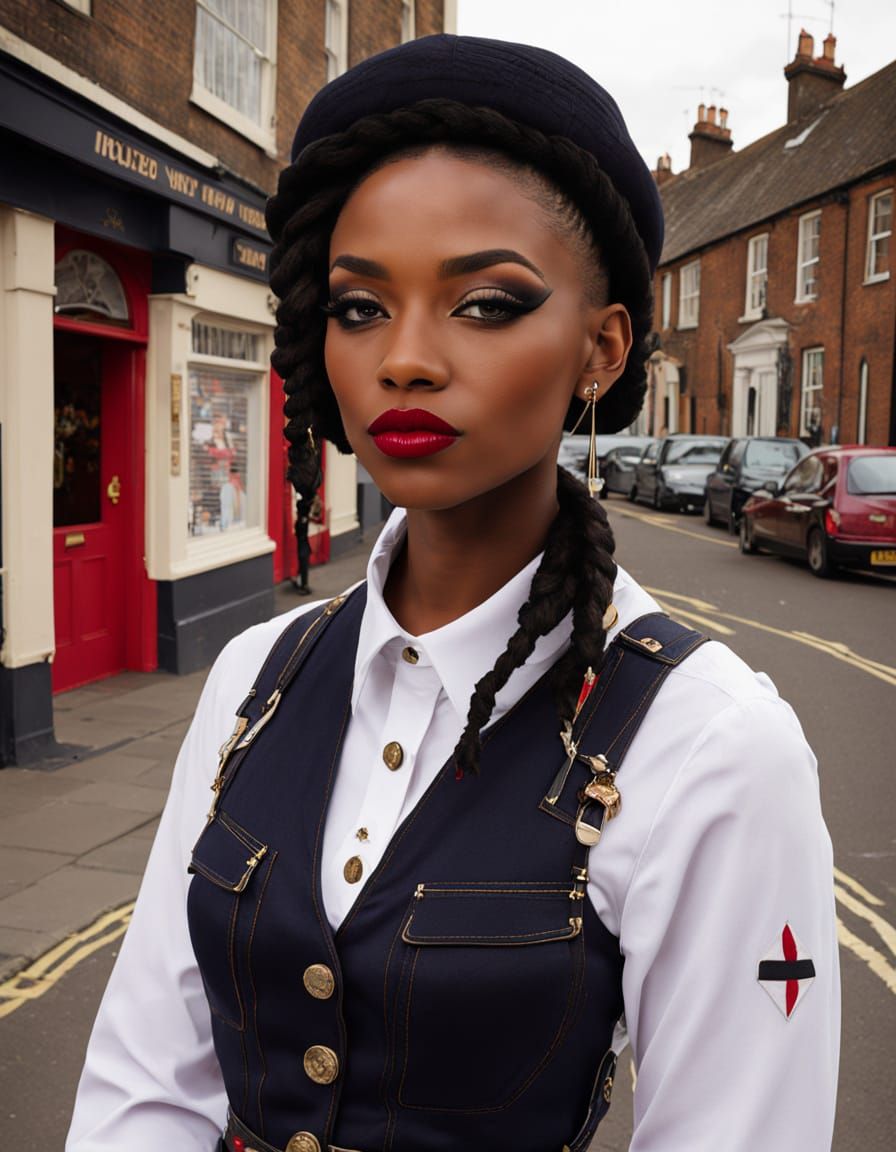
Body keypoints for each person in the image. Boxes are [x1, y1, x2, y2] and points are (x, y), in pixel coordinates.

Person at [67, 35, 839, 1152]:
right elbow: (145, 1082)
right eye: (358, 308)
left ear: (601, 347)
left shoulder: (713, 747)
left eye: (482, 303)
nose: (406, 359)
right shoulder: (254, 679)